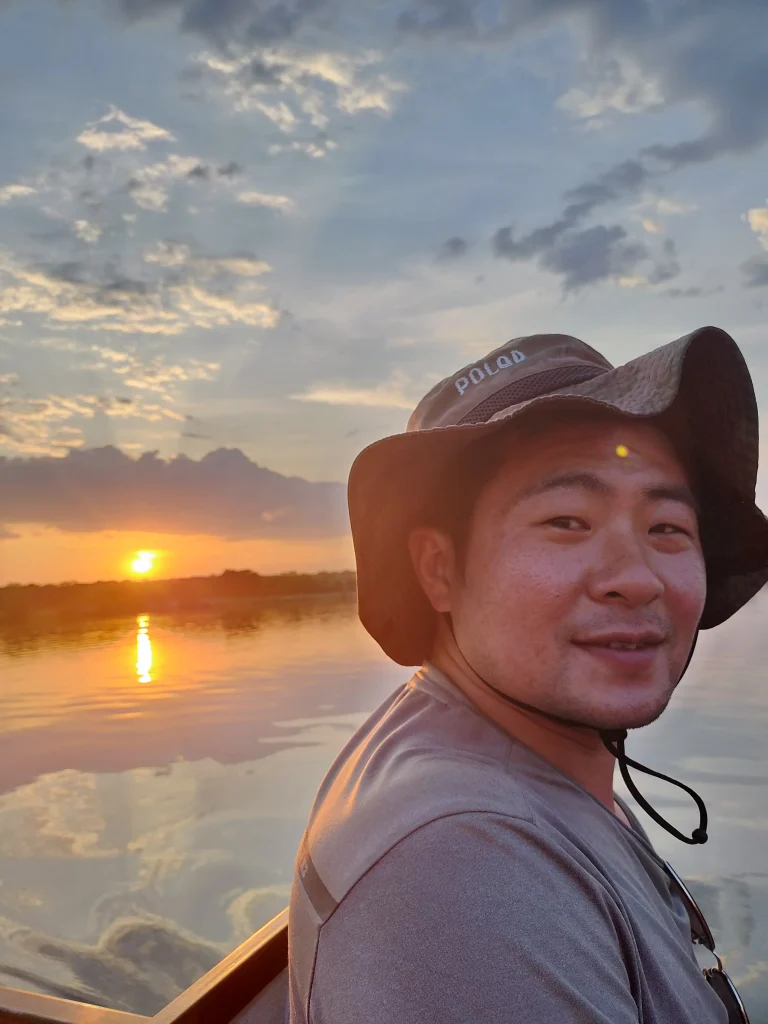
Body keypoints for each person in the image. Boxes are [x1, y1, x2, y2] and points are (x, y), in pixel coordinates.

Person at [287, 327, 767, 1023]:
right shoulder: (461, 868)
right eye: (567, 521)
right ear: (439, 570)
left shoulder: (512, 749)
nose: (636, 579)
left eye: (667, 528)